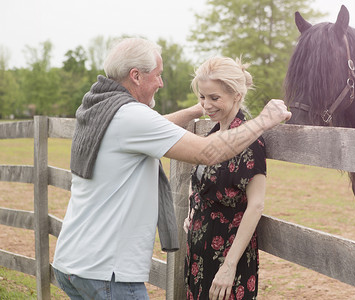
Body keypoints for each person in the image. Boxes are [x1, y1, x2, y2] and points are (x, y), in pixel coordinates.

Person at [52, 37, 290, 300]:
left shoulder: (102, 107)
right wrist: (263, 121)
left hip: (73, 262)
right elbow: (205, 152)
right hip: (107, 272)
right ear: (136, 76)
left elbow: (154, 125)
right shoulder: (131, 116)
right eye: (158, 75)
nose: (161, 83)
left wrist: (194, 110)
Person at [184, 56, 267, 300]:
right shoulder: (212, 134)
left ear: (237, 95)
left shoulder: (251, 141)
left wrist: (229, 266)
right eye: (202, 97)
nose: (206, 105)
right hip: (199, 254)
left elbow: (256, 204)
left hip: (228, 258)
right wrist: (192, 210)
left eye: (214, 98)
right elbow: (197, 181)